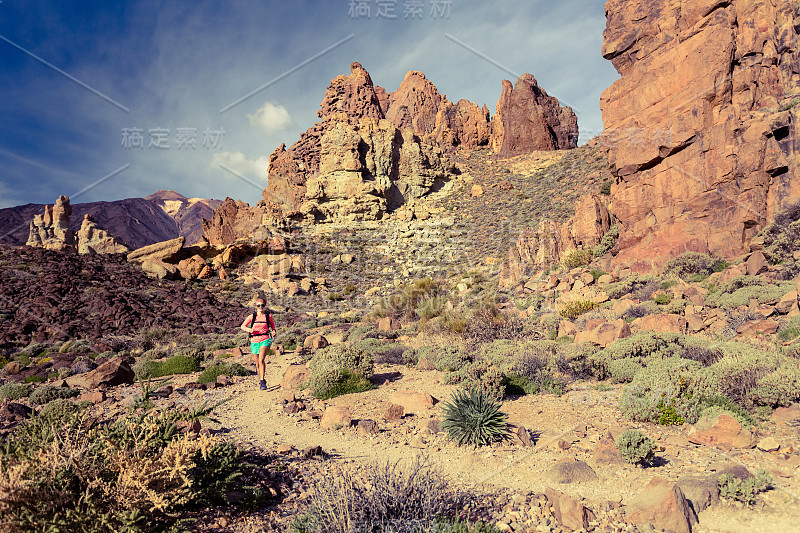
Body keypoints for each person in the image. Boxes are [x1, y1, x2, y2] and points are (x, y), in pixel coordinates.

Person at [240, 297, 276, 390]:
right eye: (258, 305)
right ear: (256, 306)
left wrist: (273, 331)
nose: (261, 307)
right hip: (254, 341)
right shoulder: (252, 316)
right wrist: (249, 329)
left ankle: (263, 381)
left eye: (262, 305)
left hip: (265, 339)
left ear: (264, 306)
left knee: (261, 360)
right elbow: (243, 326)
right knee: (257, 364)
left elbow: (272, 325)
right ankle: (261, 381)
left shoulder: (268, 316)